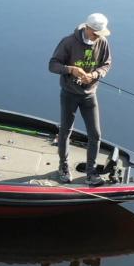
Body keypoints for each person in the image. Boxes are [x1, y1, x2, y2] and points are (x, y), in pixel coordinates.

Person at [49, 12, 112, 186]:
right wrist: (71, 70)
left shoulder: (102, 42)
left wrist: (94, 75)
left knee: (95, 134)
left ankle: (91, 173)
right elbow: (52, 65)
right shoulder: (68, 42)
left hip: (90, 95)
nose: (98, 36)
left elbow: (106, 64)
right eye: (96, 32)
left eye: (101, 33)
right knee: (66, 131)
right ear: (88, 28)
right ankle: (63, 167)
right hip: (69, 94)